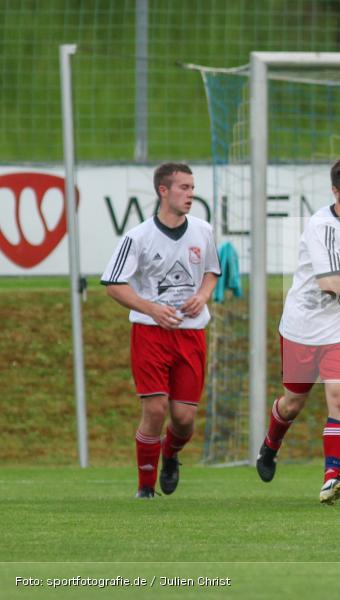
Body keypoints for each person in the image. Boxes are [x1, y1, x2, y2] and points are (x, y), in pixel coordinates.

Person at [255, 156, 340, 504]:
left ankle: (331, 479)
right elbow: (329, 282)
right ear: (335, 190)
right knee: (292, 404)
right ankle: (271, 444)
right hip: (303, 327)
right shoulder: (319, 225)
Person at [101, 163, 220, 498]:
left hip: (191, 333)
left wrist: (203, 295)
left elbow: (212, 271)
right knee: (154, 410)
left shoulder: (203, 230)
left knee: (183, 420)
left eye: (192, 187)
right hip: (150, 333)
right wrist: (151, 308)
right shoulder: (137, 237)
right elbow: (113, 284)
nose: (190, 194)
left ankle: (170, 453)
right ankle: (144, 488)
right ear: (163, 191)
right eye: (183, 188)